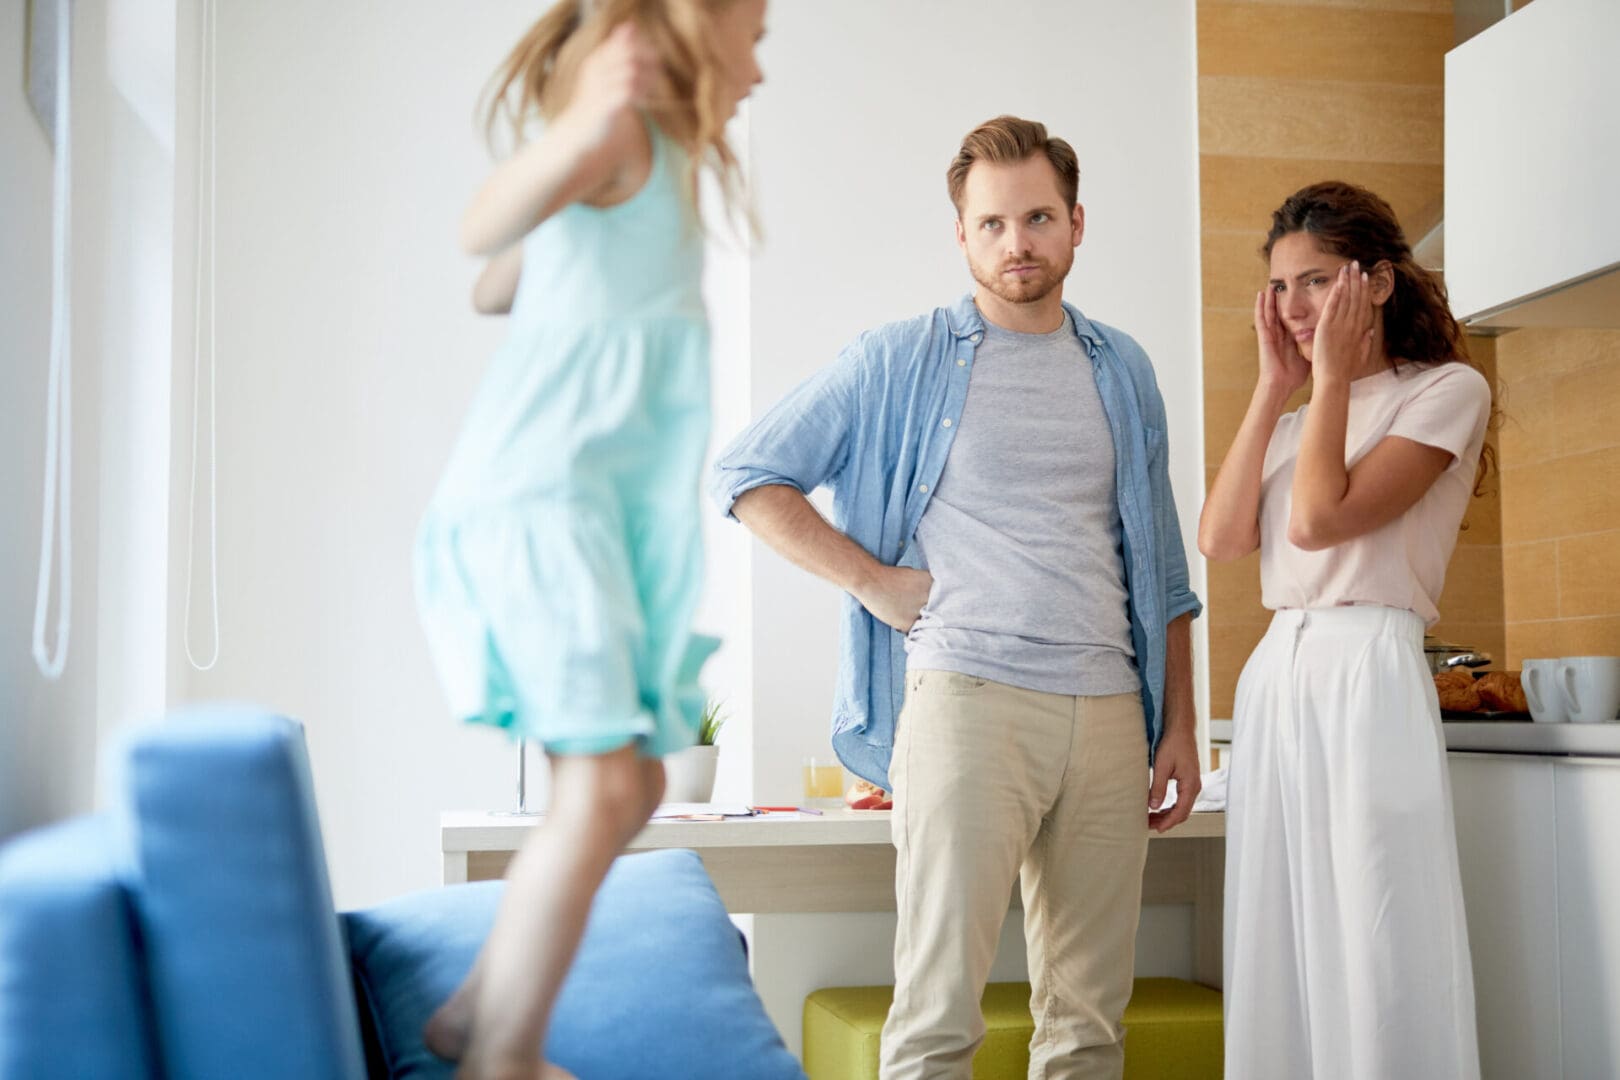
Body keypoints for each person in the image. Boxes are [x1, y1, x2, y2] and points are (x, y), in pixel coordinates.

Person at [711, 115, 1203, 1079]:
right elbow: (748, 475)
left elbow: (1164, 567)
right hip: (969, 703)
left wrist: (1178, 721)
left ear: (1075, 224)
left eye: (1037, 218)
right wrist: (875, 583)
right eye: (991, 223)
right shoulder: (904, 359)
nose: (1015, 243)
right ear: (962, 234)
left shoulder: (1125, 367)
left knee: (1091, 1024)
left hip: (1109, 715)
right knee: (938, 1017)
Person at [411, 2, 766, 1076]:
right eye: (754, 35)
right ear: (695, 33)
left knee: (640, 784)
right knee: (607, 789)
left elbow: (494, 282)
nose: (760, 65)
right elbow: (479, 228)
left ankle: (478, 1015)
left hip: (579, 515)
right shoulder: (614, 137)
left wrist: (551, 248)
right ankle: (498, 1056)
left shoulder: (653, 169)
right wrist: (570, 141)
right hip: (540, 506)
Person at [1198, 180, 1489, 1079]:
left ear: (1377, 284)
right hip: (1281, 672)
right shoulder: (1295, 416)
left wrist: (1322, 383)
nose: (1294, 307)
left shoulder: (1446, 391)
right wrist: (1274, 390)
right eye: (1282, 286)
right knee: (1278, 928)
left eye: (1317, 281)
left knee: (1376, 924)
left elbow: (1321, 520)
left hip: (1366, 669)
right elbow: (1220, 538)